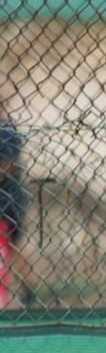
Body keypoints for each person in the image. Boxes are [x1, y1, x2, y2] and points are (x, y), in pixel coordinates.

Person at [0, 104, 29, 310]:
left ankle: (27, 291)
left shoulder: (6, 132)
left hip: (7, 202)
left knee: (13, 247)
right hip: (10, 200)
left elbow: (8, 166)